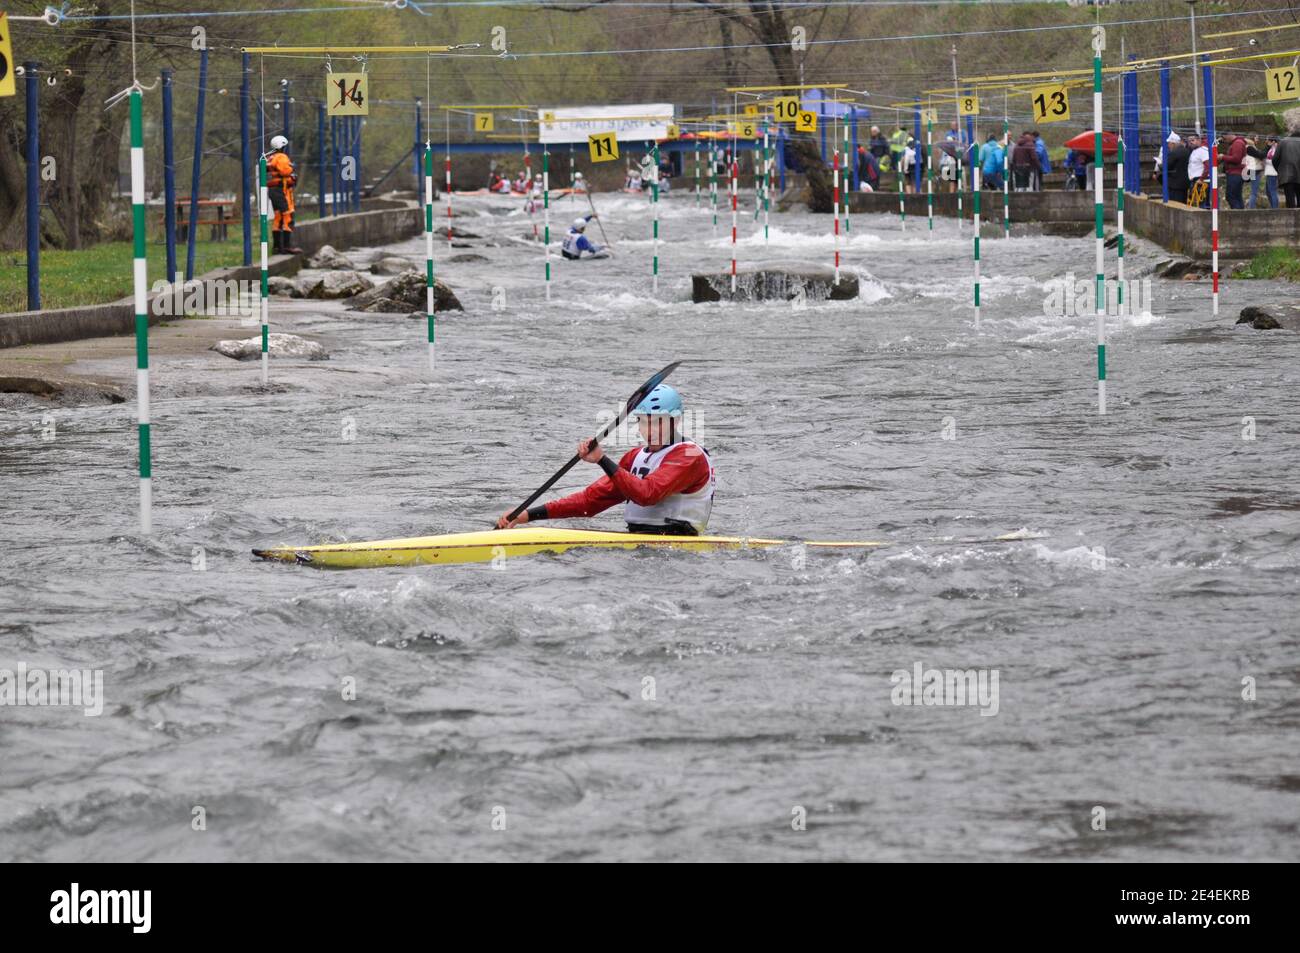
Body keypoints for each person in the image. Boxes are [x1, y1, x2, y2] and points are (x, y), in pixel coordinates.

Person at [496, 384, 715, 537]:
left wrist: (602, 460)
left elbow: (647, 494)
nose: (649, 430)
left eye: (658, 422)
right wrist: (528, 515)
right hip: (641, 544)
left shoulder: (689, 456)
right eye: (643, 422)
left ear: (675, 421)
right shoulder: (635, 456)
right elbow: (590, 502)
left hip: (677, 548)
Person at [265, 135, 302, 255]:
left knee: (278, 217)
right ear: (282, 146)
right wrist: (292, 171)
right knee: (287, 216)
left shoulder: (270, 158)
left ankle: (277, 247)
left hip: (274, 191)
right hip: (282, 191)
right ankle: (286, 246)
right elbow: (285, 171)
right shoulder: (281, 157)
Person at [1272, 125, 1300, 208]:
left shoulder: (1283, 142)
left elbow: (1275, 159)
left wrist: (1280, 170)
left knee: (1289, 199)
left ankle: (1291, 218)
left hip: (1286, 175)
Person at [1219, 132, 1247, 210]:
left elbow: (1236, 159)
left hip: (1235, 174)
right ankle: (1241, 215)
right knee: (1237, 196)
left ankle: (1237, 215)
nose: (1224, 141)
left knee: (1231, 196)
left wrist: (1223, 157)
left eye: (1224, 138)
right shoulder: (1237, 143)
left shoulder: (1237, 143)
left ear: (1228, 135)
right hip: (1237, 173)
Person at [1163, 134, 1190, 204]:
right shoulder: (1186, 151)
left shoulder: (1174, 153)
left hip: (1175, 185)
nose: (1168, 146)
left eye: (1169, 144)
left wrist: (1160, 164)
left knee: (1175, 203)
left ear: (1173, 143)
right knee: (1184, 203)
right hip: (1185, 183)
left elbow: (1166, 166)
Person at [1187, 134, 1209, 206]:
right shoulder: (1194, 151)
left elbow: (1208, 166)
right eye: (1189, 141)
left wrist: (1201, 179)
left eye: (1193, 140)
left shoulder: (1203, 150)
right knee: (1198, 203)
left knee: (1202, 203)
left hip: (1201, 180)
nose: (1190, 142)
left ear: (1199, 140)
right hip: (1196, 180)